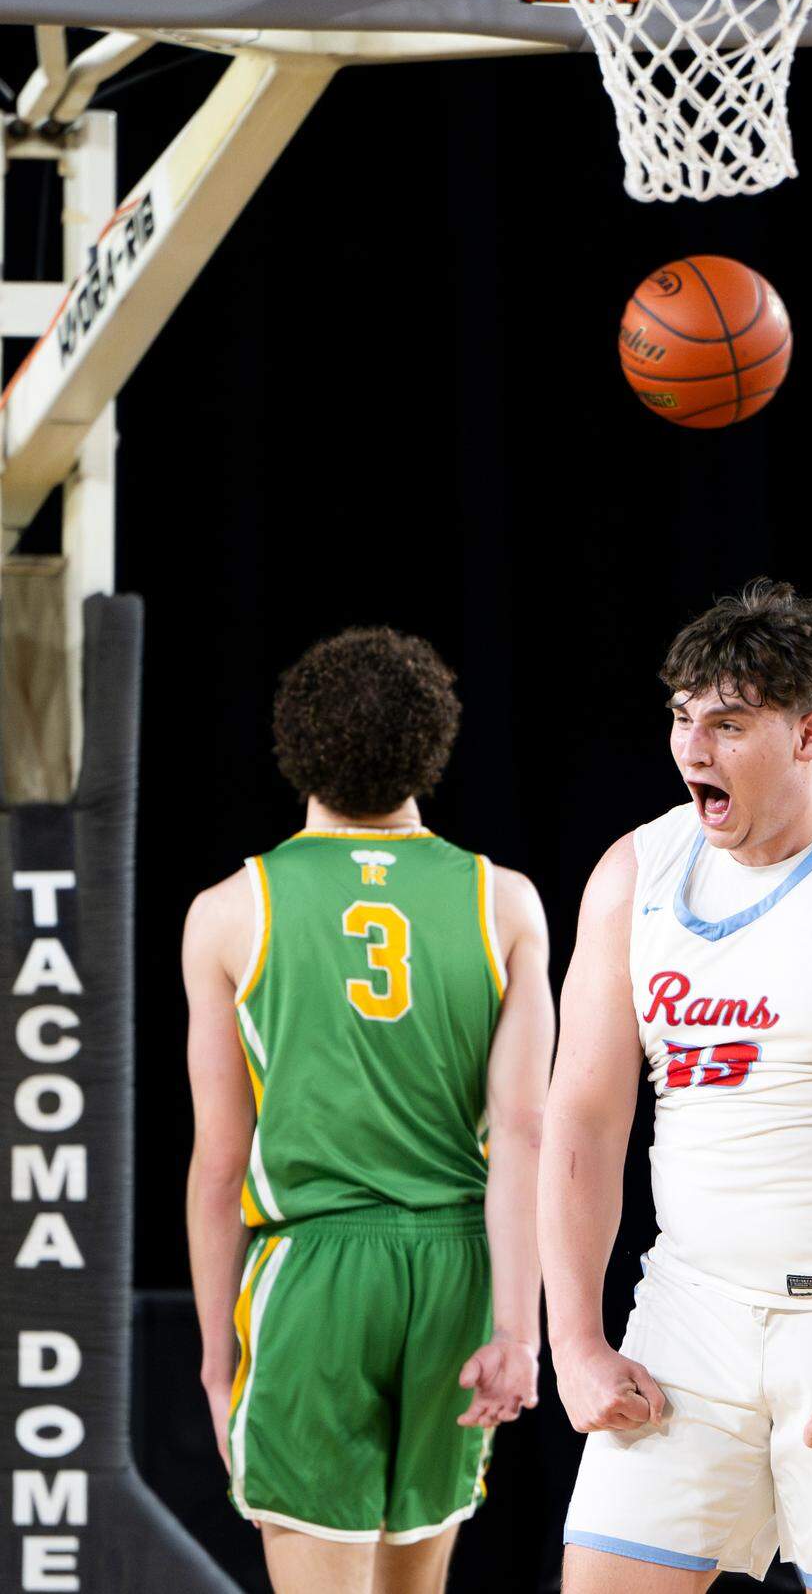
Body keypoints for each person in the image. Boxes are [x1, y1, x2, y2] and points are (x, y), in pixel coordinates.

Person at [540, 578, 812, 1594]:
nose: (694, 750)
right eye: (682, 718)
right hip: (692, 1308)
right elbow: (581, 1119)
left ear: (806, 734)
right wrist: (574, 1340)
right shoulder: (637, 871)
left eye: (729, 724)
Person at [183, 626, 554, 1594]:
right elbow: (524, 1134)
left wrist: (217, 1356)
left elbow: (221, 1159)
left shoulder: (231, 908)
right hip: (455, 1270)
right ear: (432, 743)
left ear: (295, 741)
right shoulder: (504, 901)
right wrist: (520, 1329)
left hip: (313, 1274)